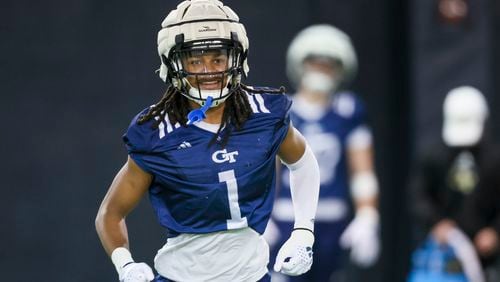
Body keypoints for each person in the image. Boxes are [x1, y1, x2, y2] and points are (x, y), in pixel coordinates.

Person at [94, 1, 320, 281]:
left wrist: (303, 232)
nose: (208, 70)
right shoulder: (156, 133)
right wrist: (125, 264)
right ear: (174, 63)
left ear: (236, 59)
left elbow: (303, 162)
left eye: (218, 58)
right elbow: (110, 213)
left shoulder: (264, 114)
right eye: (195, 60)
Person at [265, 24, 381, 282]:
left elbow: (362, 169)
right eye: (316, 62)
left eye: (329, 64)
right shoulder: (284, 110)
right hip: (287, 217)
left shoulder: (348, 110)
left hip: (332, 219)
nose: (321, 69)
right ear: (301, 64)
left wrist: (368, 215)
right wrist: (261, 216)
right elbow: (268, 171)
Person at [409, 86, 500, 282]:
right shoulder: (433, 157)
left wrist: (494, 231)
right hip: (444, 256)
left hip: (487, 259)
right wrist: (437, 223)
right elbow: (418, 196)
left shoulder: (494, 159)